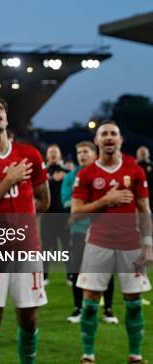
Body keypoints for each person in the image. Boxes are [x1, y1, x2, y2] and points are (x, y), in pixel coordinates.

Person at [0, 96, 50, 364]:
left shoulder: (30, 155)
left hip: (27, 249)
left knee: (29, 318)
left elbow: (44, 199)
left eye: (1, 108)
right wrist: (8, 181)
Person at [72, 121, 152, 364]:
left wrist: (148, 243)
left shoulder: (135, 170)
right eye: (103, 134)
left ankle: (135, 356)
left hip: (132, 245)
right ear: (96, 141)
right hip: (98, 243)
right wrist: (107, 199)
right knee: (89, 303)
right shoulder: (86, 173)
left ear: (120, 140)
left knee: (135, 303)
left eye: (113, 134)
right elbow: (76, 213)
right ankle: (88, 355)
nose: (108, 138)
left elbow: (144, 209)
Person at [60, 141, 116, 324]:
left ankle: (108, 309)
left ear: (94, 154)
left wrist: (87, 205)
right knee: (77, 270)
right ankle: (78, 308)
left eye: (85, 152)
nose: (81, 155)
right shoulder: (70, 177)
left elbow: (112, 202)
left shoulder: (104, 174)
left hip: (103, 231)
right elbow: (68, 203)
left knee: (106, 271)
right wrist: (99, 203)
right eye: (79, 152)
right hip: (79, 231)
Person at [40, 144, 70, 283]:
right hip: (47, 216)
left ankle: (70, 276)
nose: (52, 154)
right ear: (47, 156)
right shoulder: (42, 172)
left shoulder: (68, 172)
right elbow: (38, 190)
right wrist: (52, 180)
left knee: (67, 247)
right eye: (50, 152)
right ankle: (44, 276)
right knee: (45, 248)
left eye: (55, 152)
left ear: (60, 155)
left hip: (64, 216)